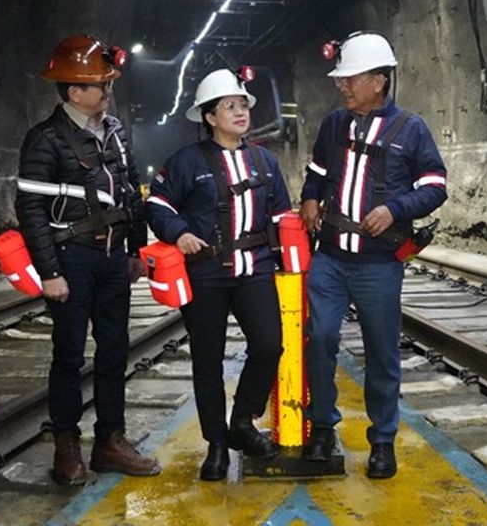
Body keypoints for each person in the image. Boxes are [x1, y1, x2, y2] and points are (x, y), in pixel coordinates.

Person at [299, 32, 448, 479]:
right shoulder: (333, 125)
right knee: (320, 339)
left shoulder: (411, 129)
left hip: (378, 264)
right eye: (341, 79)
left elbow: (435, 186)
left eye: (351, 79)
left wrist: (395, 208)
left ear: (379, 82)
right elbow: (318, 170)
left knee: (382, 352)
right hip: (328, 258)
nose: (342, 86)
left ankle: (382, 441)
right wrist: (309, 197)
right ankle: (323, 426)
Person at [14, 34, 161, 485]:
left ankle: (109, 442)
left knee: (115, 352)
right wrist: (50, 272)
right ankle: (66, 448)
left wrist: (136, 249)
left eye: (108, 83)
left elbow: (132, 191)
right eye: (100, 84)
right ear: (73, 91)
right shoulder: (44, 140)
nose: (108, 91)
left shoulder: (115, 132)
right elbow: (30, 209)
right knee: (69, 356)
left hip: (114, 259)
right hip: (72, 258)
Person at [146, 68, 292, 480]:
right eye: (229, 105)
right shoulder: (186, 162)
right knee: (207, 361)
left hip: (255, 269)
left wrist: (293, 256)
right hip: (206, 274)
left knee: (268, 345)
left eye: (242, 103)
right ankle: (216, 444)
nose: (239, 111)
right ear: (209, 117)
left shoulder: (265, 160)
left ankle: (242, 422)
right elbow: (157, 204)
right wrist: (180, 233)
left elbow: (281, 212)